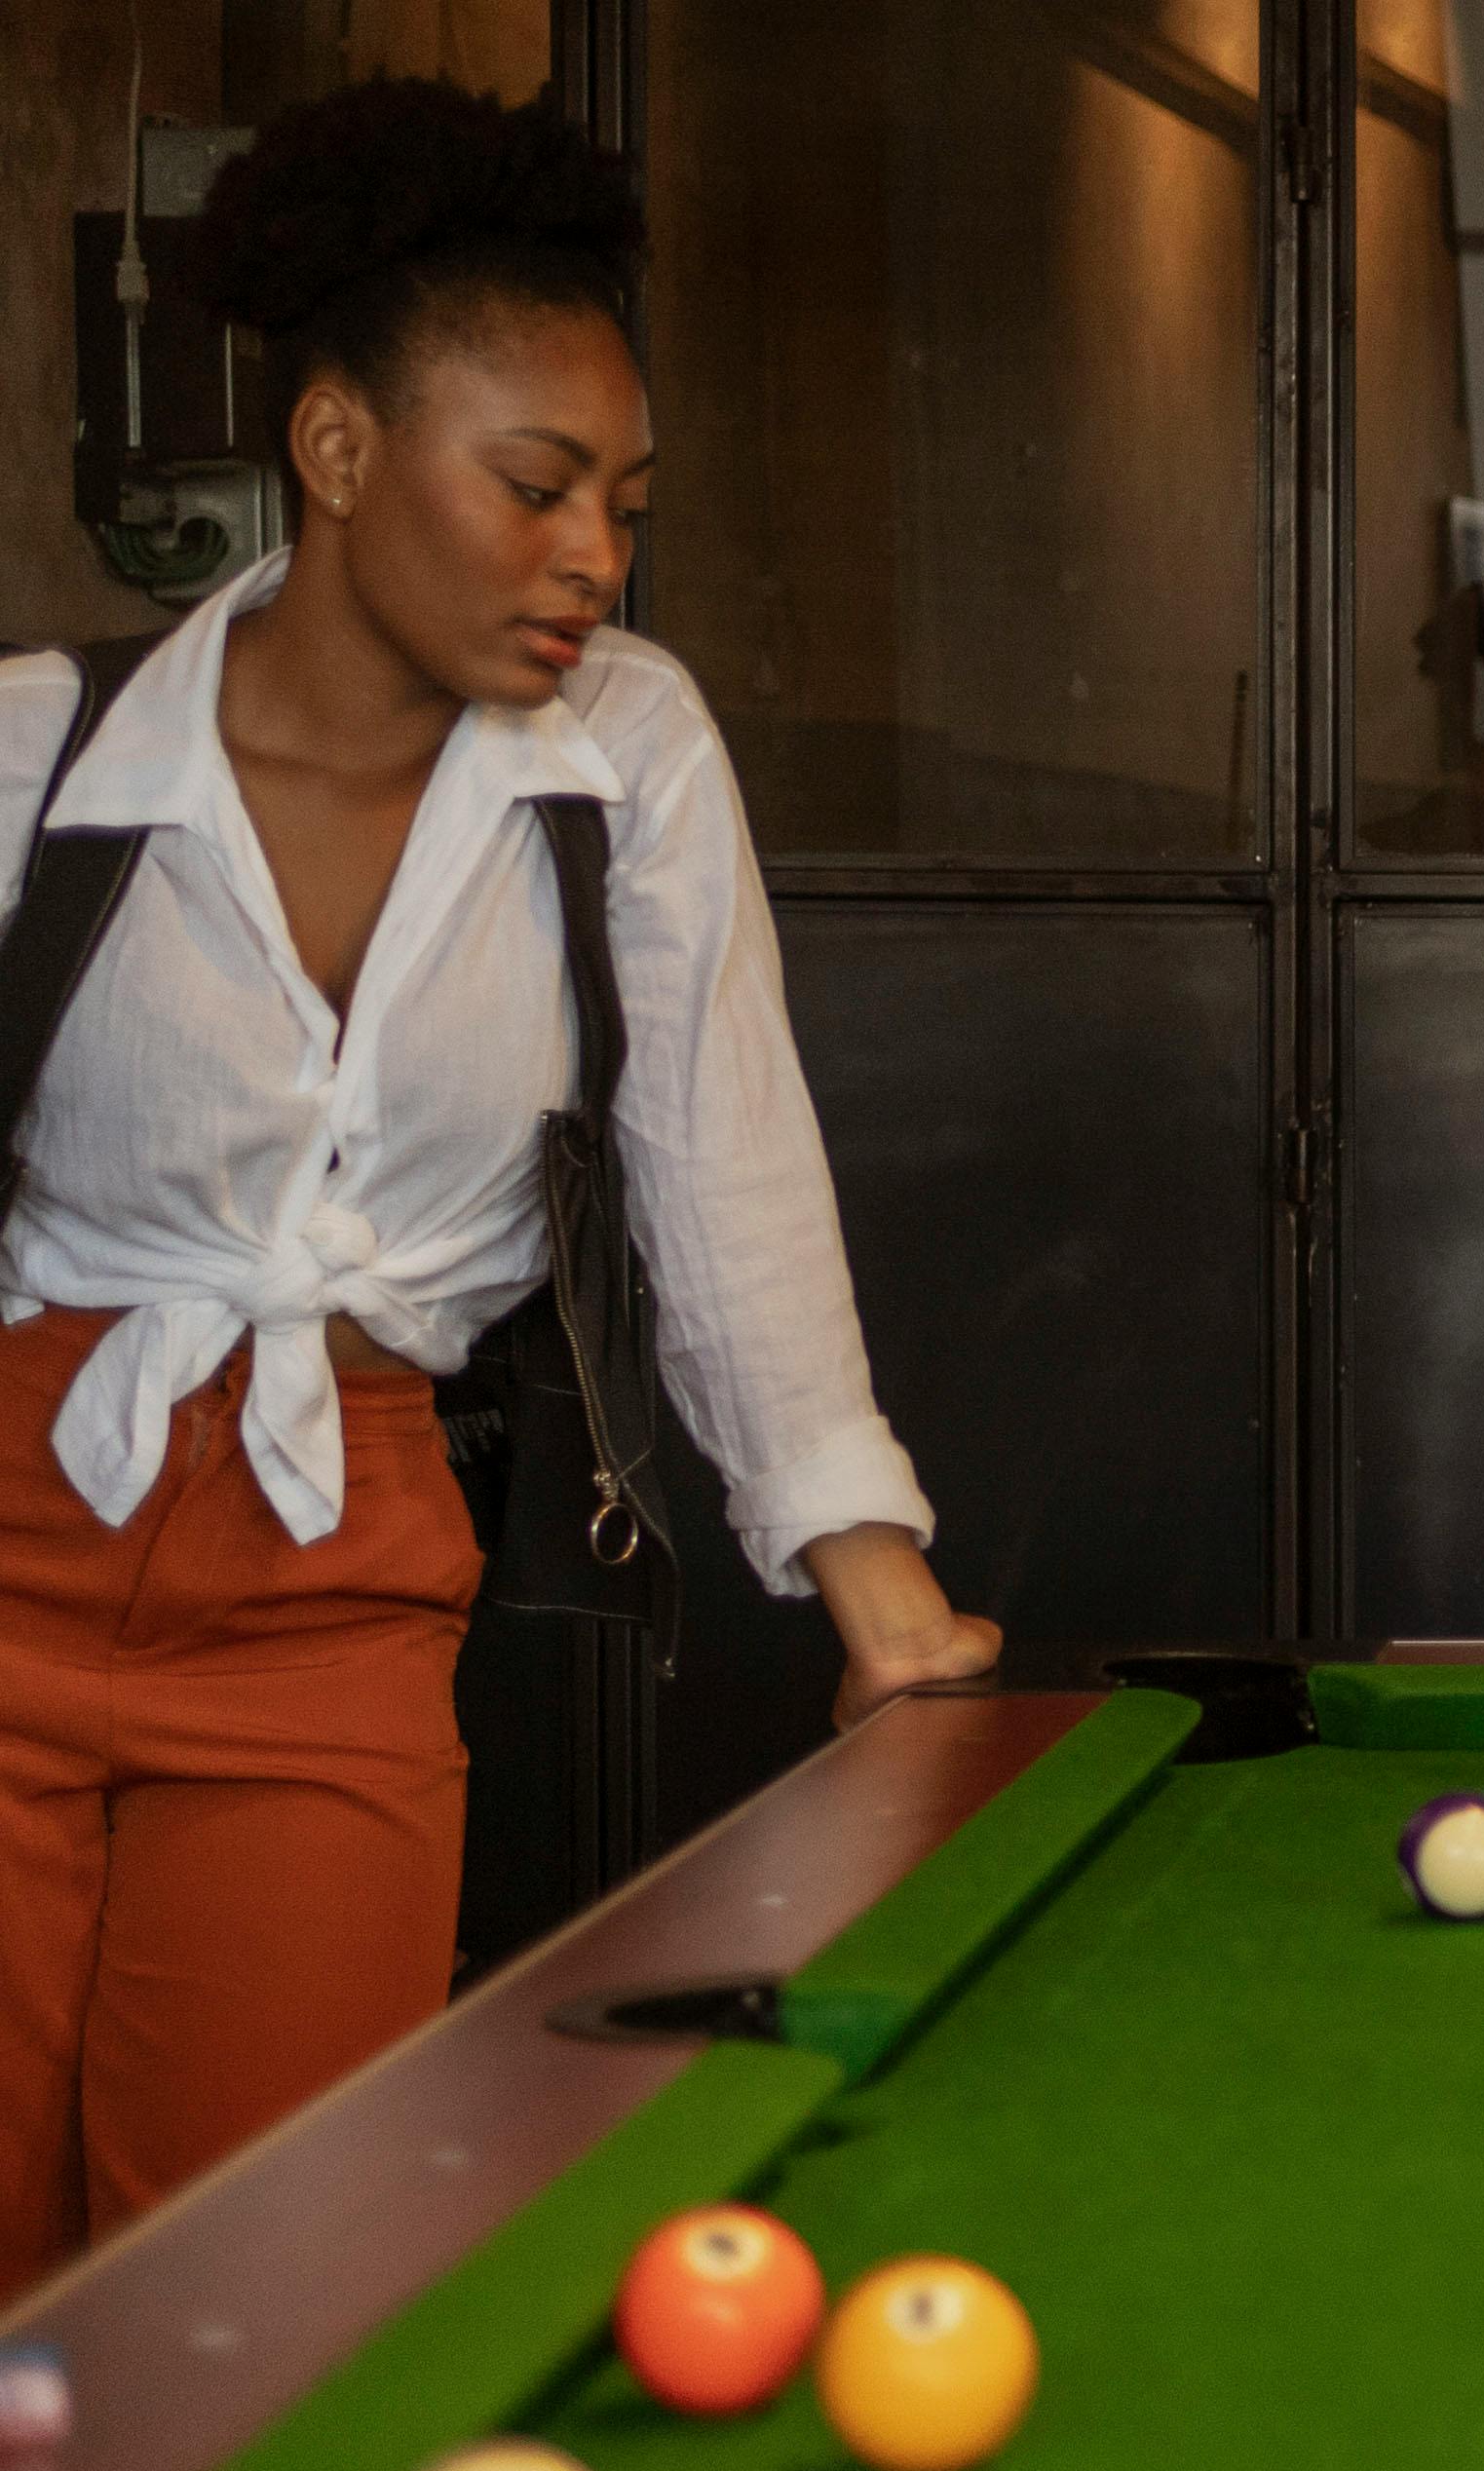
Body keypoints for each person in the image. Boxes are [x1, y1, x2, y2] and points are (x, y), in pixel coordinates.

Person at [0, 83, 997, 2288]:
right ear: (339, 452)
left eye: (623, 505)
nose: (593, 558)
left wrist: (884, 1598)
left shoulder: (624, 756)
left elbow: (724, 1171)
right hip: (12, 1515)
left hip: (340, 1579)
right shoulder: (37, 757)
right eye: (535, 487)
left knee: (254, 2282)